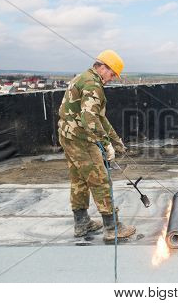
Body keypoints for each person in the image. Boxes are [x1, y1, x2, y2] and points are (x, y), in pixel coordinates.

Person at [58, 49, 136, 242]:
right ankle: (112, 228)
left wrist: (116, 142)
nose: (111, 79)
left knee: (79, 180)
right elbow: (90, 119)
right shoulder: (93, 85)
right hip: (82, 140)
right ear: (102, 67)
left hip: (68, 137)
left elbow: (100, 117)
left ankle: (82, 224)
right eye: (111, 74)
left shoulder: (83, 78)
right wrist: (105, 144)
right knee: (100, 180)